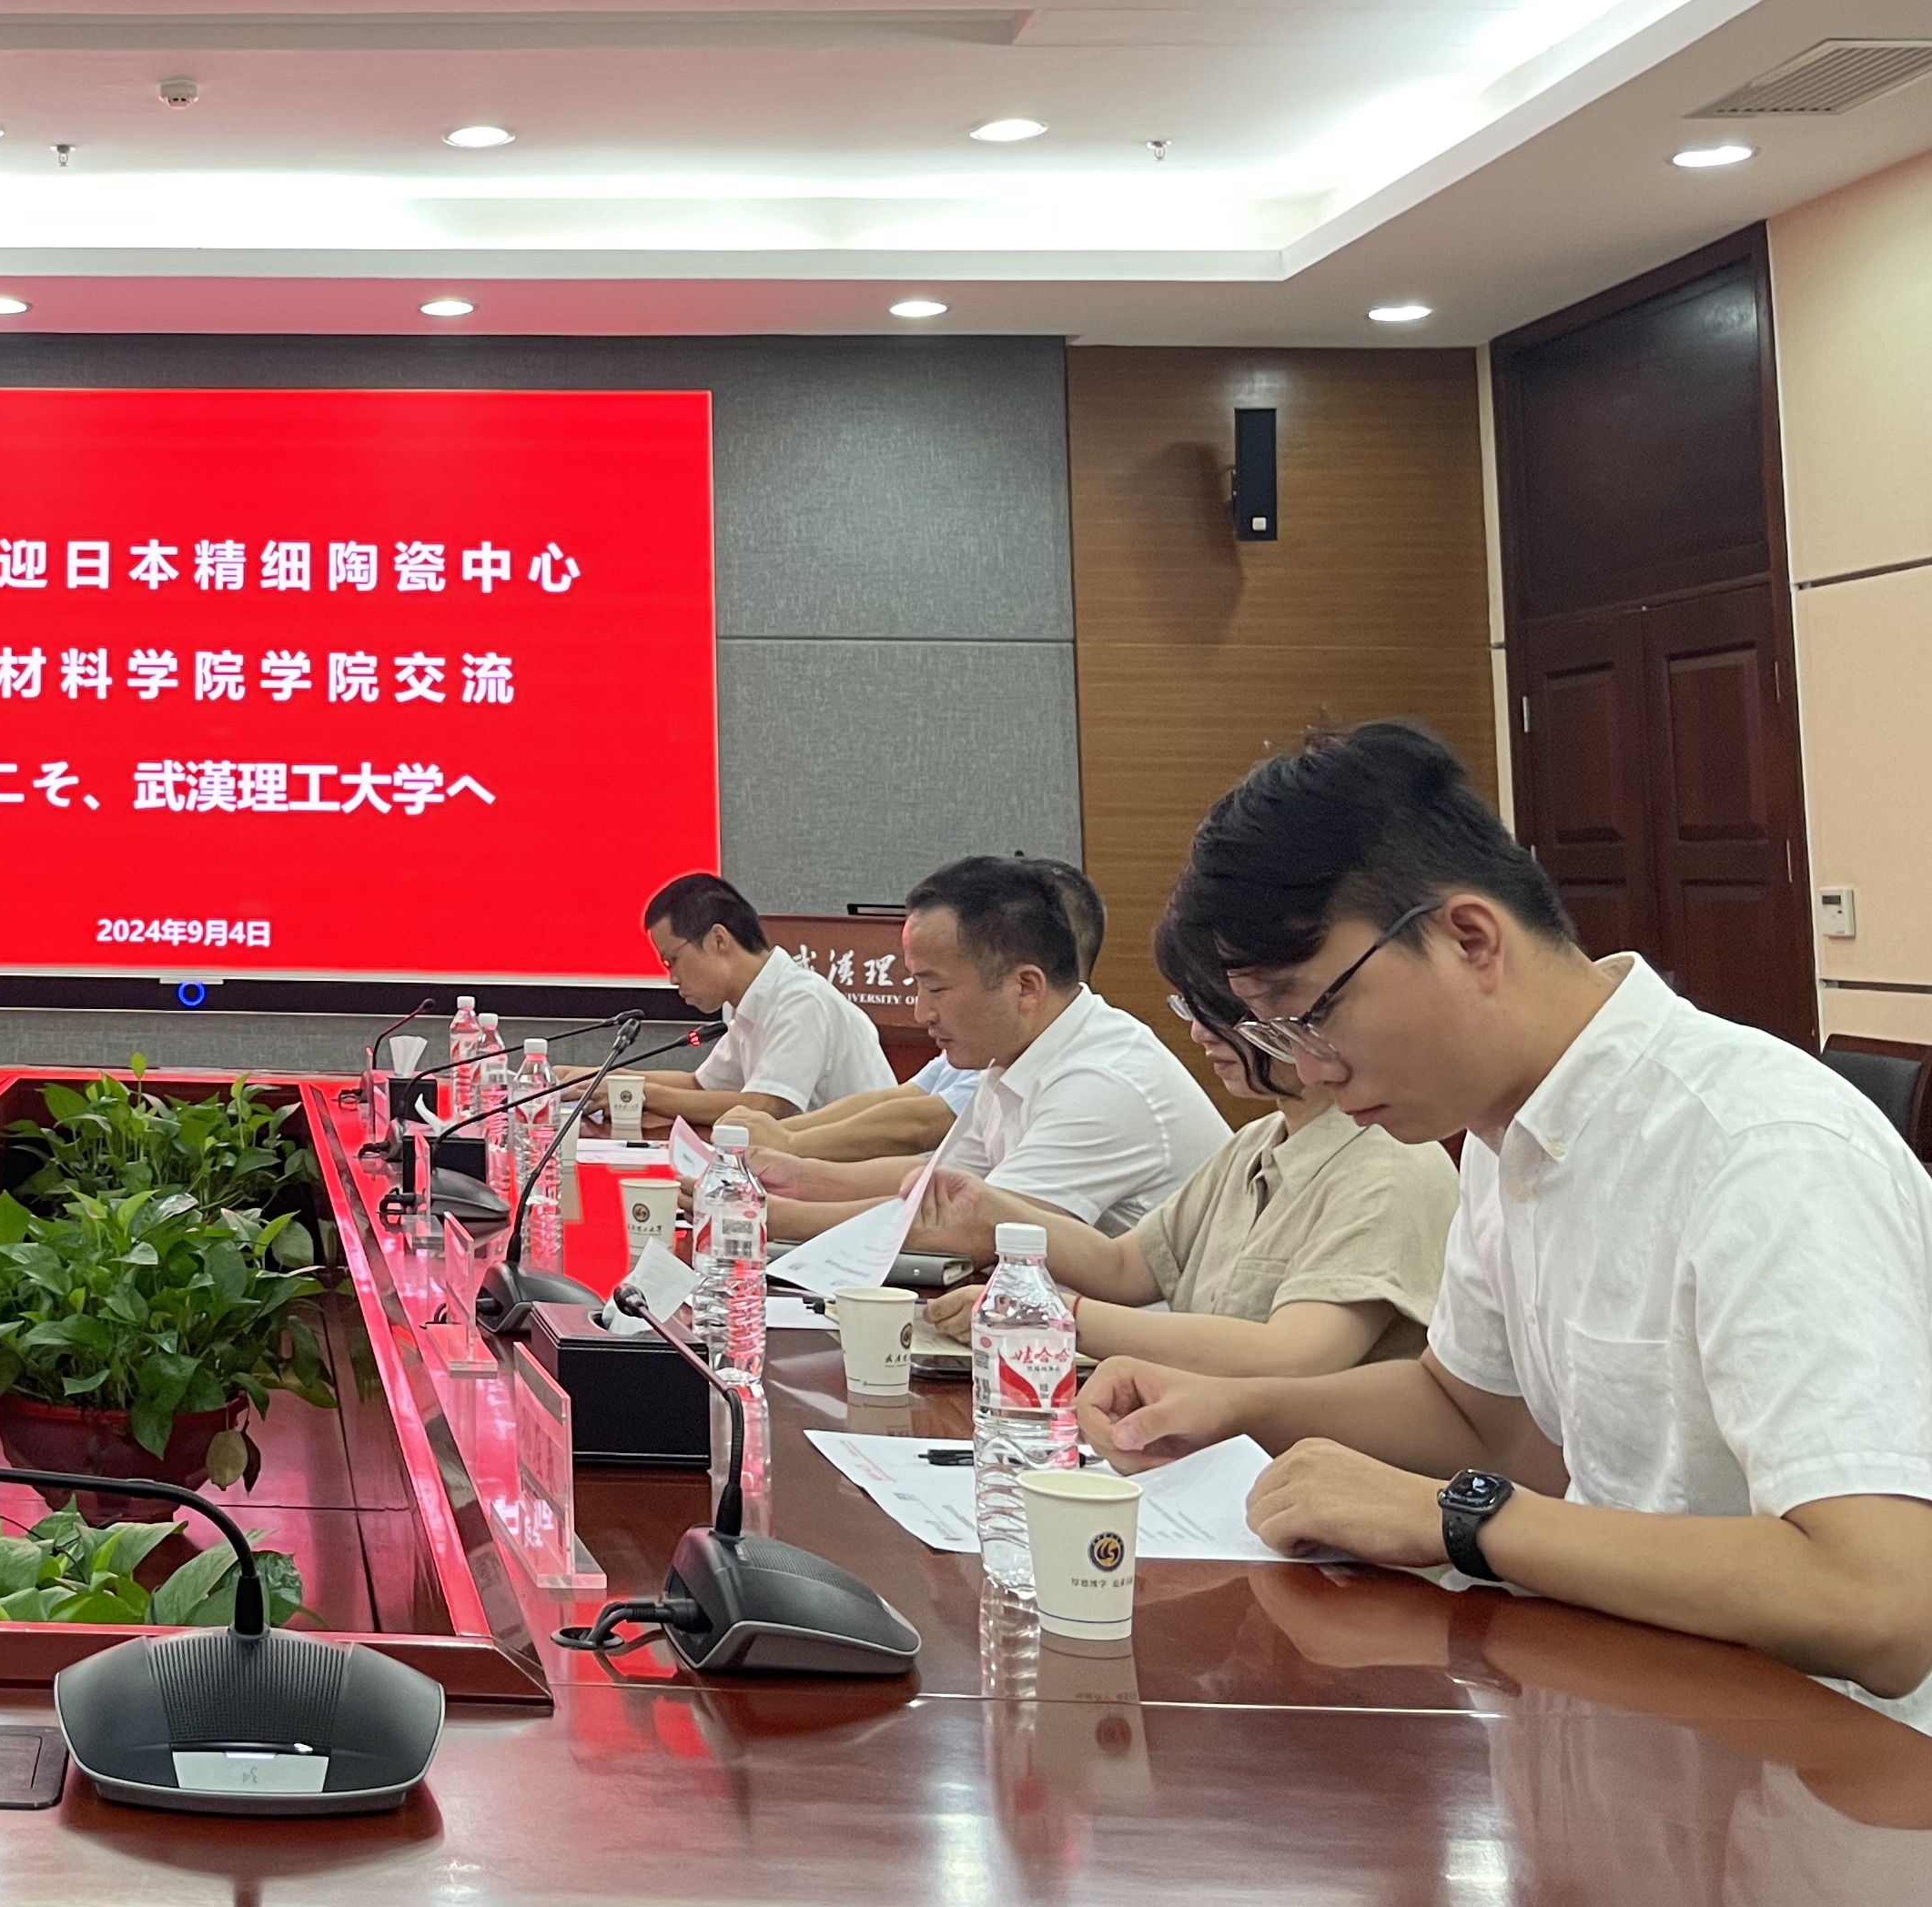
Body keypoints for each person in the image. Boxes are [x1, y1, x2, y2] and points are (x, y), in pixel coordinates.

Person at [1082, 721, 1932, 1729]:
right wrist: (1237, 1405)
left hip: (1815, 1766)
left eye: (1313, 1014)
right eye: (1277, 1031)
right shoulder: (1502, 1133)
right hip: (1626, 1709)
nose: (1308, 1069)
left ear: (1471, 939)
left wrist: (1459, 1518)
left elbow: (1879, 1602)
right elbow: (1471, 1414)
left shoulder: (1761, 1145)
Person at [909, 981, 1456, 1375]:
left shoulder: (1389, 1162)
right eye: (1190, 1008)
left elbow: (1294, 1355)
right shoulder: (1258, 1140)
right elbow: (1125, 1266)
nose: (1198, 1032)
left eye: (1220, 1011)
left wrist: (1054, 1314)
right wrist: (990, 1206)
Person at [749, 853, 1229, 1239]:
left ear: (1025, 987)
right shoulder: (1019, 1055)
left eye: (935, 988)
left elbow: (974, 1228)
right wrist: (799, 1177)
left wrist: (777, 1217)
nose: (921, 1012)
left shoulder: (1102, 1082)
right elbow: (943, 1182)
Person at [720, 856, 1102, 1162]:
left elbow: (918, 1127)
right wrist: (783, 1140)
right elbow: (904, 1102)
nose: (922, 1013)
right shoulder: (999, 1058)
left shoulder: (1089, 1078)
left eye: (936, 987)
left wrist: (788, 1143)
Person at [620, 871, 892, 1132]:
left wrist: (641, 1094)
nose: (672, 979)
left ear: (718, 940)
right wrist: (611, 1079)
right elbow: (700, 1086)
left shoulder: (801, 999)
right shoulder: (752, 1003)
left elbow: (765, 1107)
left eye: (672, 960)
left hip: (870, 1162)